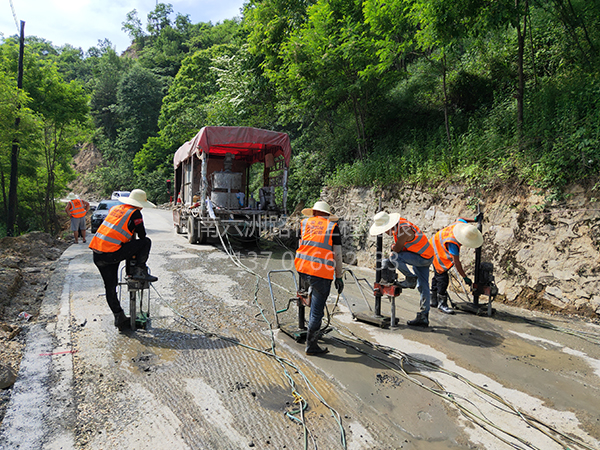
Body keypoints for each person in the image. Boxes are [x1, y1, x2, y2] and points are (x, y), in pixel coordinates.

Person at [88, 189, 158, 331]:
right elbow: (142, 235)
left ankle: (119, 317)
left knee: (110, 287)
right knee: (146, 242)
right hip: (111, 253)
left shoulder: (116, 209)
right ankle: (139, 270)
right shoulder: (135, 213)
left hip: (98, 254)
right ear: (140, 204)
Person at [294, 200, 344, 355]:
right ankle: (311, 346)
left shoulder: (304, 223)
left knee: (309, 297)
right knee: (316, 311)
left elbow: (301, 244)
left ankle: (308, 328)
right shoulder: (332, 227)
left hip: (302, 269)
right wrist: (339, 276)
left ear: (314, 213)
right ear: (328, 215)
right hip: (321, 273)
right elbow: (337, 254)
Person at [369, 211, 434, 327]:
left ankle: (410, 278)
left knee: (394, 257)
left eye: (384, 230)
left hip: (422, 257)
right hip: (424, 255)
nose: (385, 232)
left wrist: (393, 247)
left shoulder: (403, 231)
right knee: (423, 286)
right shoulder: (400, 226)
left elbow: (397, 250)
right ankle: (424, 317)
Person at [430, 218, 483, 314]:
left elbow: (460, 218)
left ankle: (433, 300)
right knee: (442, 278)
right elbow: (457, 262)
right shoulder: (453, 242)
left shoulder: (461, 225)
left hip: (434, 243)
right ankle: (442, 304)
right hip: (435, 251)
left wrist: (474, 219)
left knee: (437, 276)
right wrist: (465, 277)